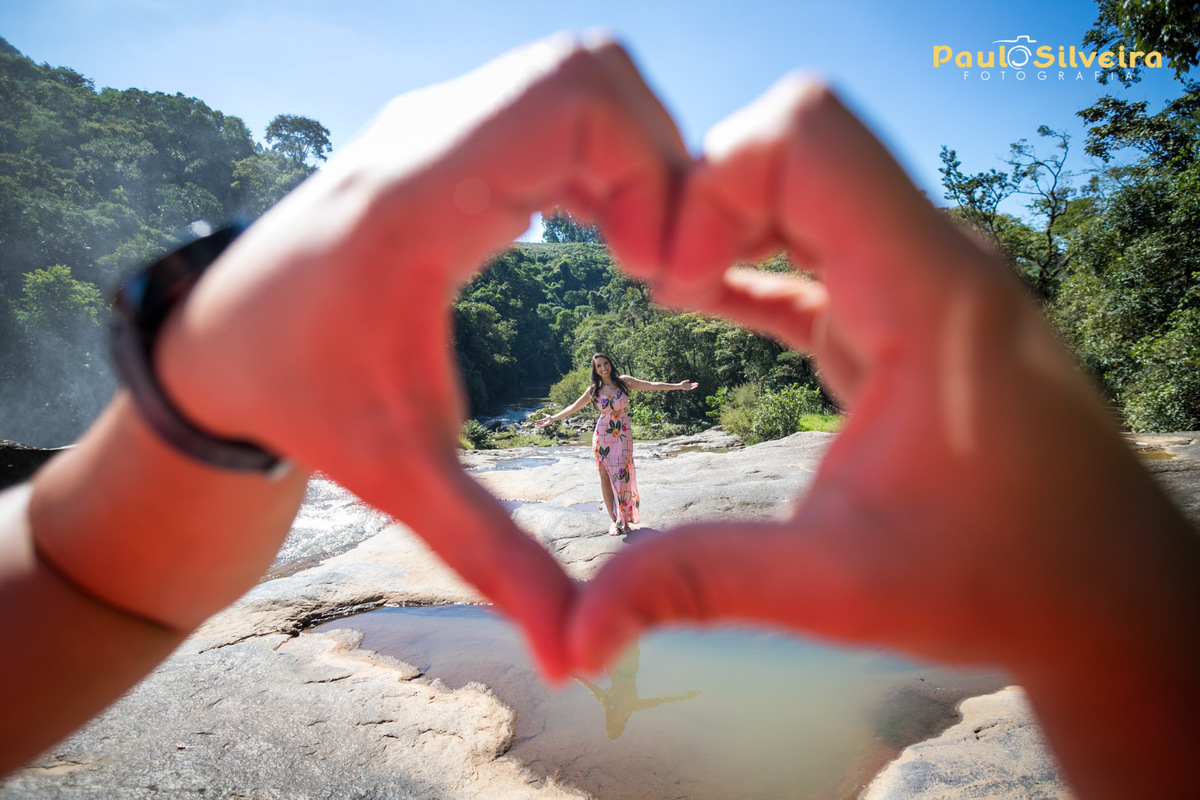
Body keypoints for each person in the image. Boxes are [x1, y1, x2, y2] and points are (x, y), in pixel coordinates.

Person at [0, 33, 1193, 800]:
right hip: (596, 449)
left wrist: (195, 394)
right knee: (615, 485)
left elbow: (80, 572)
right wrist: (1128, 607)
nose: (618, 371)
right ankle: (621, 518)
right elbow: (585, 403)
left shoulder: (630, 391)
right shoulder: (597, 394)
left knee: (627, 489)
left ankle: (623, 518)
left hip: (614, 451)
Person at [534, 353, 697, 534]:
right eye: (599, 366)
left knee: (622, 475)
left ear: (610, 364)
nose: (603, 368)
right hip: (603, 435)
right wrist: (552, 418)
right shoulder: (594, 390)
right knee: (605, 477)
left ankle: (624, 520)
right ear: (595, 370)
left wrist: (678, 386)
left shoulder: (624, 382)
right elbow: (573, 407)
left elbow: (651, 385)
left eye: (606, 364)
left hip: (623, 434)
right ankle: (614, 521)